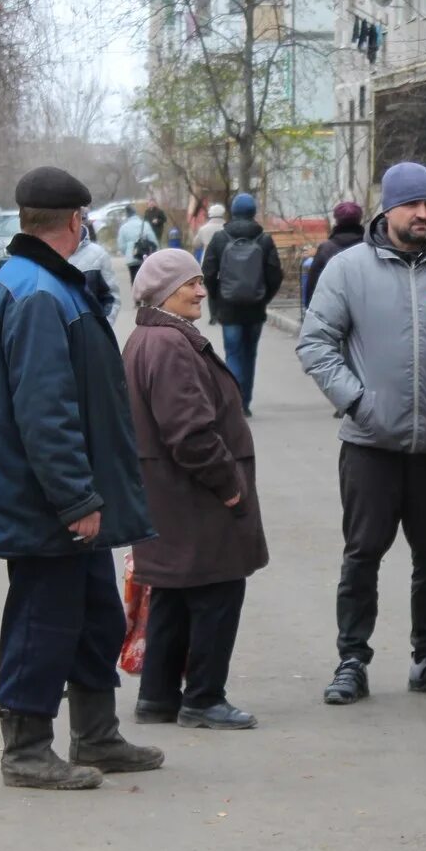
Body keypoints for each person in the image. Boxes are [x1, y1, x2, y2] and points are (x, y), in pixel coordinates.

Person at [0, 166, 164, 789]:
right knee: (42, 622)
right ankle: (25, 750)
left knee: (93, 614)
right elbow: (45, 411)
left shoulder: (47, 284)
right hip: (45, 502)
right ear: (76, 221)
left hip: (60, 497)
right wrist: (75, 497)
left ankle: (96, 734)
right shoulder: (39, 293)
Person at [297, 163, 426, 706]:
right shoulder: (349, 269)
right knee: (362, 555)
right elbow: (315, 343)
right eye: (411, 205)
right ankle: (352, 659)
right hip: (369, 444)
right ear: (387, 209)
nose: (422, 214)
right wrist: (357, 401)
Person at [125, 249, 269, 731]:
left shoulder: (149, 337)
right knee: (217, 590)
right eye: (191, 284)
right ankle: (204, 698)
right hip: (194, 496)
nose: (201, 291)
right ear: (166, 291)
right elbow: (189, 431)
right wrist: (230, 486)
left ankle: (158, 696)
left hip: (168, 495)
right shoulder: (169, 344)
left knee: (173, 592)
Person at [201, 193, 282, 416]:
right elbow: (275, 274)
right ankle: (245, 402)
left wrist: (217, 299)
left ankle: (235, 404)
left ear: (233, 212)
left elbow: (208, 272)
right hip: (255, 308)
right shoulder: (264, 239)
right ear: (253, 212)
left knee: (233, 354)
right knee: (250, 354)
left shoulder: (220, 238)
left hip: (229, 308)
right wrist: (264, 297)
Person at [302, 200, 366, 309]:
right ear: (359, 220)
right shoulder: (370, 248)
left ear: (336, 221)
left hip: (332, 312)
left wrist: (310, 309)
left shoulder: (326, 249)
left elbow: (313, 285)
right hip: (364, 312)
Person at [69, 219, 119, 318]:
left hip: (92, 329)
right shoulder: (40, 254)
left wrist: (103, 327)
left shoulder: (98, 254)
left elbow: (110, 297)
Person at [117, 204, 159, 284]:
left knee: (135, 281)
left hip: (131, 259)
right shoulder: (145, 224)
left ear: (127, 215)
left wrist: (128, 252)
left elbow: (121, 246)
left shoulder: (123, 228)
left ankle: (137, 295)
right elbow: (153, 240)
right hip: (145, 257)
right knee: (147, 281)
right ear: (135, 213)